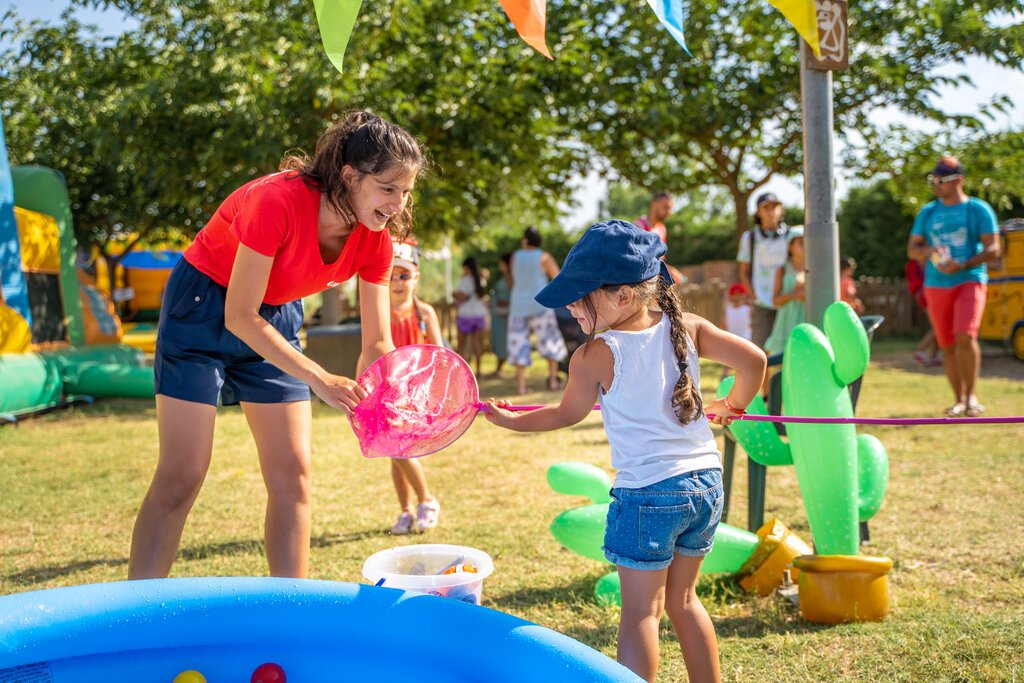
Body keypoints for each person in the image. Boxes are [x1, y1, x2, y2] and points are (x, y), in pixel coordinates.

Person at [128, 111, 427, 579]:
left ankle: (292, 612)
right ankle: (136, 616)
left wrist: (391, 400)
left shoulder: (377, 242)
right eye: (388, 188)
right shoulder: (276, 201)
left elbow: (377, 342)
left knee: (293, 477)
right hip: (205, 303)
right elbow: (238, 316)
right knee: (182, 475)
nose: (397, 203)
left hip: (276, 310)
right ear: (349, 176)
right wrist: (321, 379)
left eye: (406, 191)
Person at [484, 220, 766, 683]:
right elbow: (753, 361)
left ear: (623, 296)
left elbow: (562, 414)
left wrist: (510, 420)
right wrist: (733, 405)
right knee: (684, 602)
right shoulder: (690, 327)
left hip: (648, 495)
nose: (571, 305)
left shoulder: (594, 353)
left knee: (641, 613)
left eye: (580, 295)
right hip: (705, 486)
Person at [907, 155, 1000, 417]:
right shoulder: (928, 212)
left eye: (941, 180)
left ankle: (972, 397)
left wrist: (964, 264)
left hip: (970, 279)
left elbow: (993, 249)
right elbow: (912, 250)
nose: (936, 185)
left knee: (965, 334)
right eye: (933, 180)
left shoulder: (978, 210)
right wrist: (929, 250)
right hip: (936, 284)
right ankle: (958, 400)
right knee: (947, 344)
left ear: (958, 180)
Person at [382, 240, 443, 534]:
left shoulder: (424, 312)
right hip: (386, 393)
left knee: (399, 451)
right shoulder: (378, 310)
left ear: (416, 277)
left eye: (403, 275)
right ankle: (406, 511)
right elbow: (367, 351)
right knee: (394, 453)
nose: (396, 281)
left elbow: (441, 354)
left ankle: (427, 500)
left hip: (416, 395)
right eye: (390, 275)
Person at [507, 226, 568, 394]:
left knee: (518, 345)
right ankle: (553, 381)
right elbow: (558, 279)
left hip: (518, 305)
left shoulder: (515, 257)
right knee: (550, 341)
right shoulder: (544, 257)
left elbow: (512, 280)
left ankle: (521, 387)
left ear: (525, 240)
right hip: (540, 304)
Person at [736, 192, 791, 352]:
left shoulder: (790, 236)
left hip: (785, 300)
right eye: (766, 207)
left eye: (775, 206)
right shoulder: (750, 238)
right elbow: (743, 271)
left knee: (786, 352)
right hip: (761, 302)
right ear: (758, 212)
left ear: (781, 210)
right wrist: (753, 295)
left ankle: (781, 379)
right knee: (761, 353)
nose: (771, 210)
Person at [764, 227, 806, 355]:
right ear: (790, 247)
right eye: (801, 243)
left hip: (806, 319)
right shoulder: (782, 270)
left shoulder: (815, 268)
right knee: (784, 362)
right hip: (786, 322)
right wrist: (792, 295)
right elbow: (775, 301)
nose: (805, 246)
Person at [634, 191, 685, 283]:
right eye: (666, 207)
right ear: (654, 205)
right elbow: (639, 262)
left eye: (670, 208)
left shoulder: (662, 229)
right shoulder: (639, 227)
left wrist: (670, 271)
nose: (669, 212)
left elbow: (658, 260)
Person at [454, 256, 488, 376]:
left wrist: (455, 294)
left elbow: (462, 296)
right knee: (477, 343)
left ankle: (466, 371)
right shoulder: (481, 279)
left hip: (466, 314)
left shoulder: (465, 280)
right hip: (479, 314)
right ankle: (479, 370)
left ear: (467, 268)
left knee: (462, 344)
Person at [905, 259, 941, 366]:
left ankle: (934, 356)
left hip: (925, 294)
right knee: (938, 326)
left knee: (937, 326)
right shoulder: (921, 263)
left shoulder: (919, 262)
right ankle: (920, 350)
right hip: (927, 295)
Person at [487, 252, 513, 378]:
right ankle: (498, 368)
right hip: (498, 315)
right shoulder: (506, 277)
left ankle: (499, 369)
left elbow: (512, 295)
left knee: (503, 341)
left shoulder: (511, 278)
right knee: (499, 340)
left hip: (504, 315)